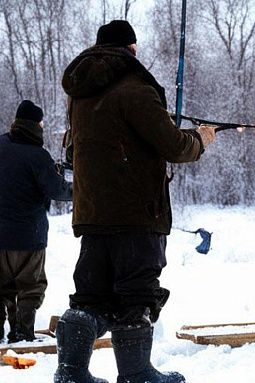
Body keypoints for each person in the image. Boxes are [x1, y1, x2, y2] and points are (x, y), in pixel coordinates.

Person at [53, 20, 216, 383]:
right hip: (137, 214)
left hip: (92, 214)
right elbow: (173, 146)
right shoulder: (135, 88)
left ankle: (71, 373)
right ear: (130, 49)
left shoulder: (80, 95)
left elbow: (73, 148)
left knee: (90, 296)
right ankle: (137, 374)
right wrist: (201, 138)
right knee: (137, 296)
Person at [0, 100, 73, 343]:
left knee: (2, 288)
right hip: (29, 238)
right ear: (36, 124)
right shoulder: (38, 156)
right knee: (30, 288)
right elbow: (59, 191)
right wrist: (81, 186)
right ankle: (22, 334)